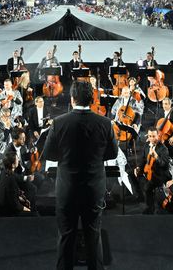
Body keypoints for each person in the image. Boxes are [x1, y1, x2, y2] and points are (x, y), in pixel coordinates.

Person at [43, 79, 119, 270]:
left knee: (66, 236)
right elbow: (112, 153)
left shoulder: (59, 123)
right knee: (93, 236)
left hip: (67, 189)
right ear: (92, 99)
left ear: (72, 98)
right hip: (93, 189)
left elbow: (50, 154)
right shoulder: (105, 123)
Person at [134, 127, 171, 215]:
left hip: (159, 174)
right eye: (150, 136)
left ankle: (150, 208)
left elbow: (165, 165)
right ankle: (140, 195)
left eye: (153, 136)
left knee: (147, 188)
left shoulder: (163, 149)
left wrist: (157, 157)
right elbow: (143, 159)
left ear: (158, 136)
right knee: (131, 174)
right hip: (148, 170)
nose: (151, 138)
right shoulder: (147, 145)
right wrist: (138, 168)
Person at [0, 152, 32, 217]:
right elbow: (15, 204)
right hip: (6, 212)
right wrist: (25, 209)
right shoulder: (11, 179)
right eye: (17, 160)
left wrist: (21, 198)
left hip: (1, 207)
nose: (19, 160)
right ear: (13, 165)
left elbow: (11, 193)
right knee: (33, 214)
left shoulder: (3, 172)